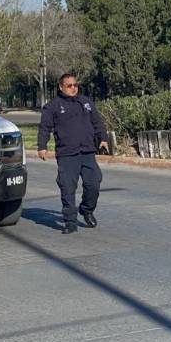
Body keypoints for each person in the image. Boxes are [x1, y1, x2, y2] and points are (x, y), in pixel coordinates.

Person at [37, 73, 110, 233]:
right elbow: (44, 128)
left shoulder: (85, 102)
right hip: (67, 153)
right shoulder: (52, 106)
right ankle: (70, 222)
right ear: (61, 87)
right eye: (69, 85)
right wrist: (42, 146)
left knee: (94, 183)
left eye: (75, 85)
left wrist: (102, 138)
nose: (73, 88)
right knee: (68, 187)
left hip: (87, 151)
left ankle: (86, 209)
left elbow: (97, 122)